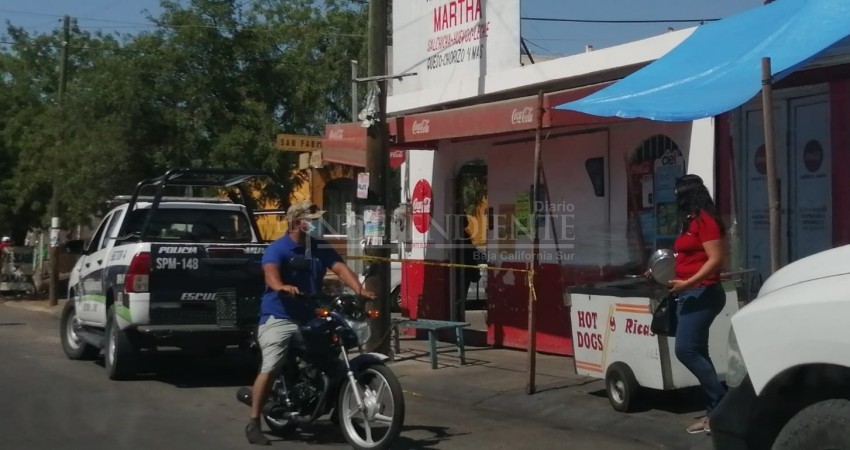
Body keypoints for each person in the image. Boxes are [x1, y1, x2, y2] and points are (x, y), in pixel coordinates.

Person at [245, 201, 375, 445]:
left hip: (310, 314)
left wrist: (360, 289)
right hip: (279, 317)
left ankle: (339, 411)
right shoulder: (278, 249)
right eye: (312, 220)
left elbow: (340, 268)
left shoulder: (319, 247)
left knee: (334, 354)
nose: (317, 224)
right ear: (297, 223)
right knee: (273, 364)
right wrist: (282, 286)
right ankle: (253, 422)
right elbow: (271, 275)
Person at [668, 174, 728, 434]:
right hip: (689, 292)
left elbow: (715, 260)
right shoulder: (690, 221)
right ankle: (715, 413)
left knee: (686, 350)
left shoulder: (706, 220)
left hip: (703, 292)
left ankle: (725, 404)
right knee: (698, 351)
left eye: (678, 194)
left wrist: (688, 282)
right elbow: (686, 256)